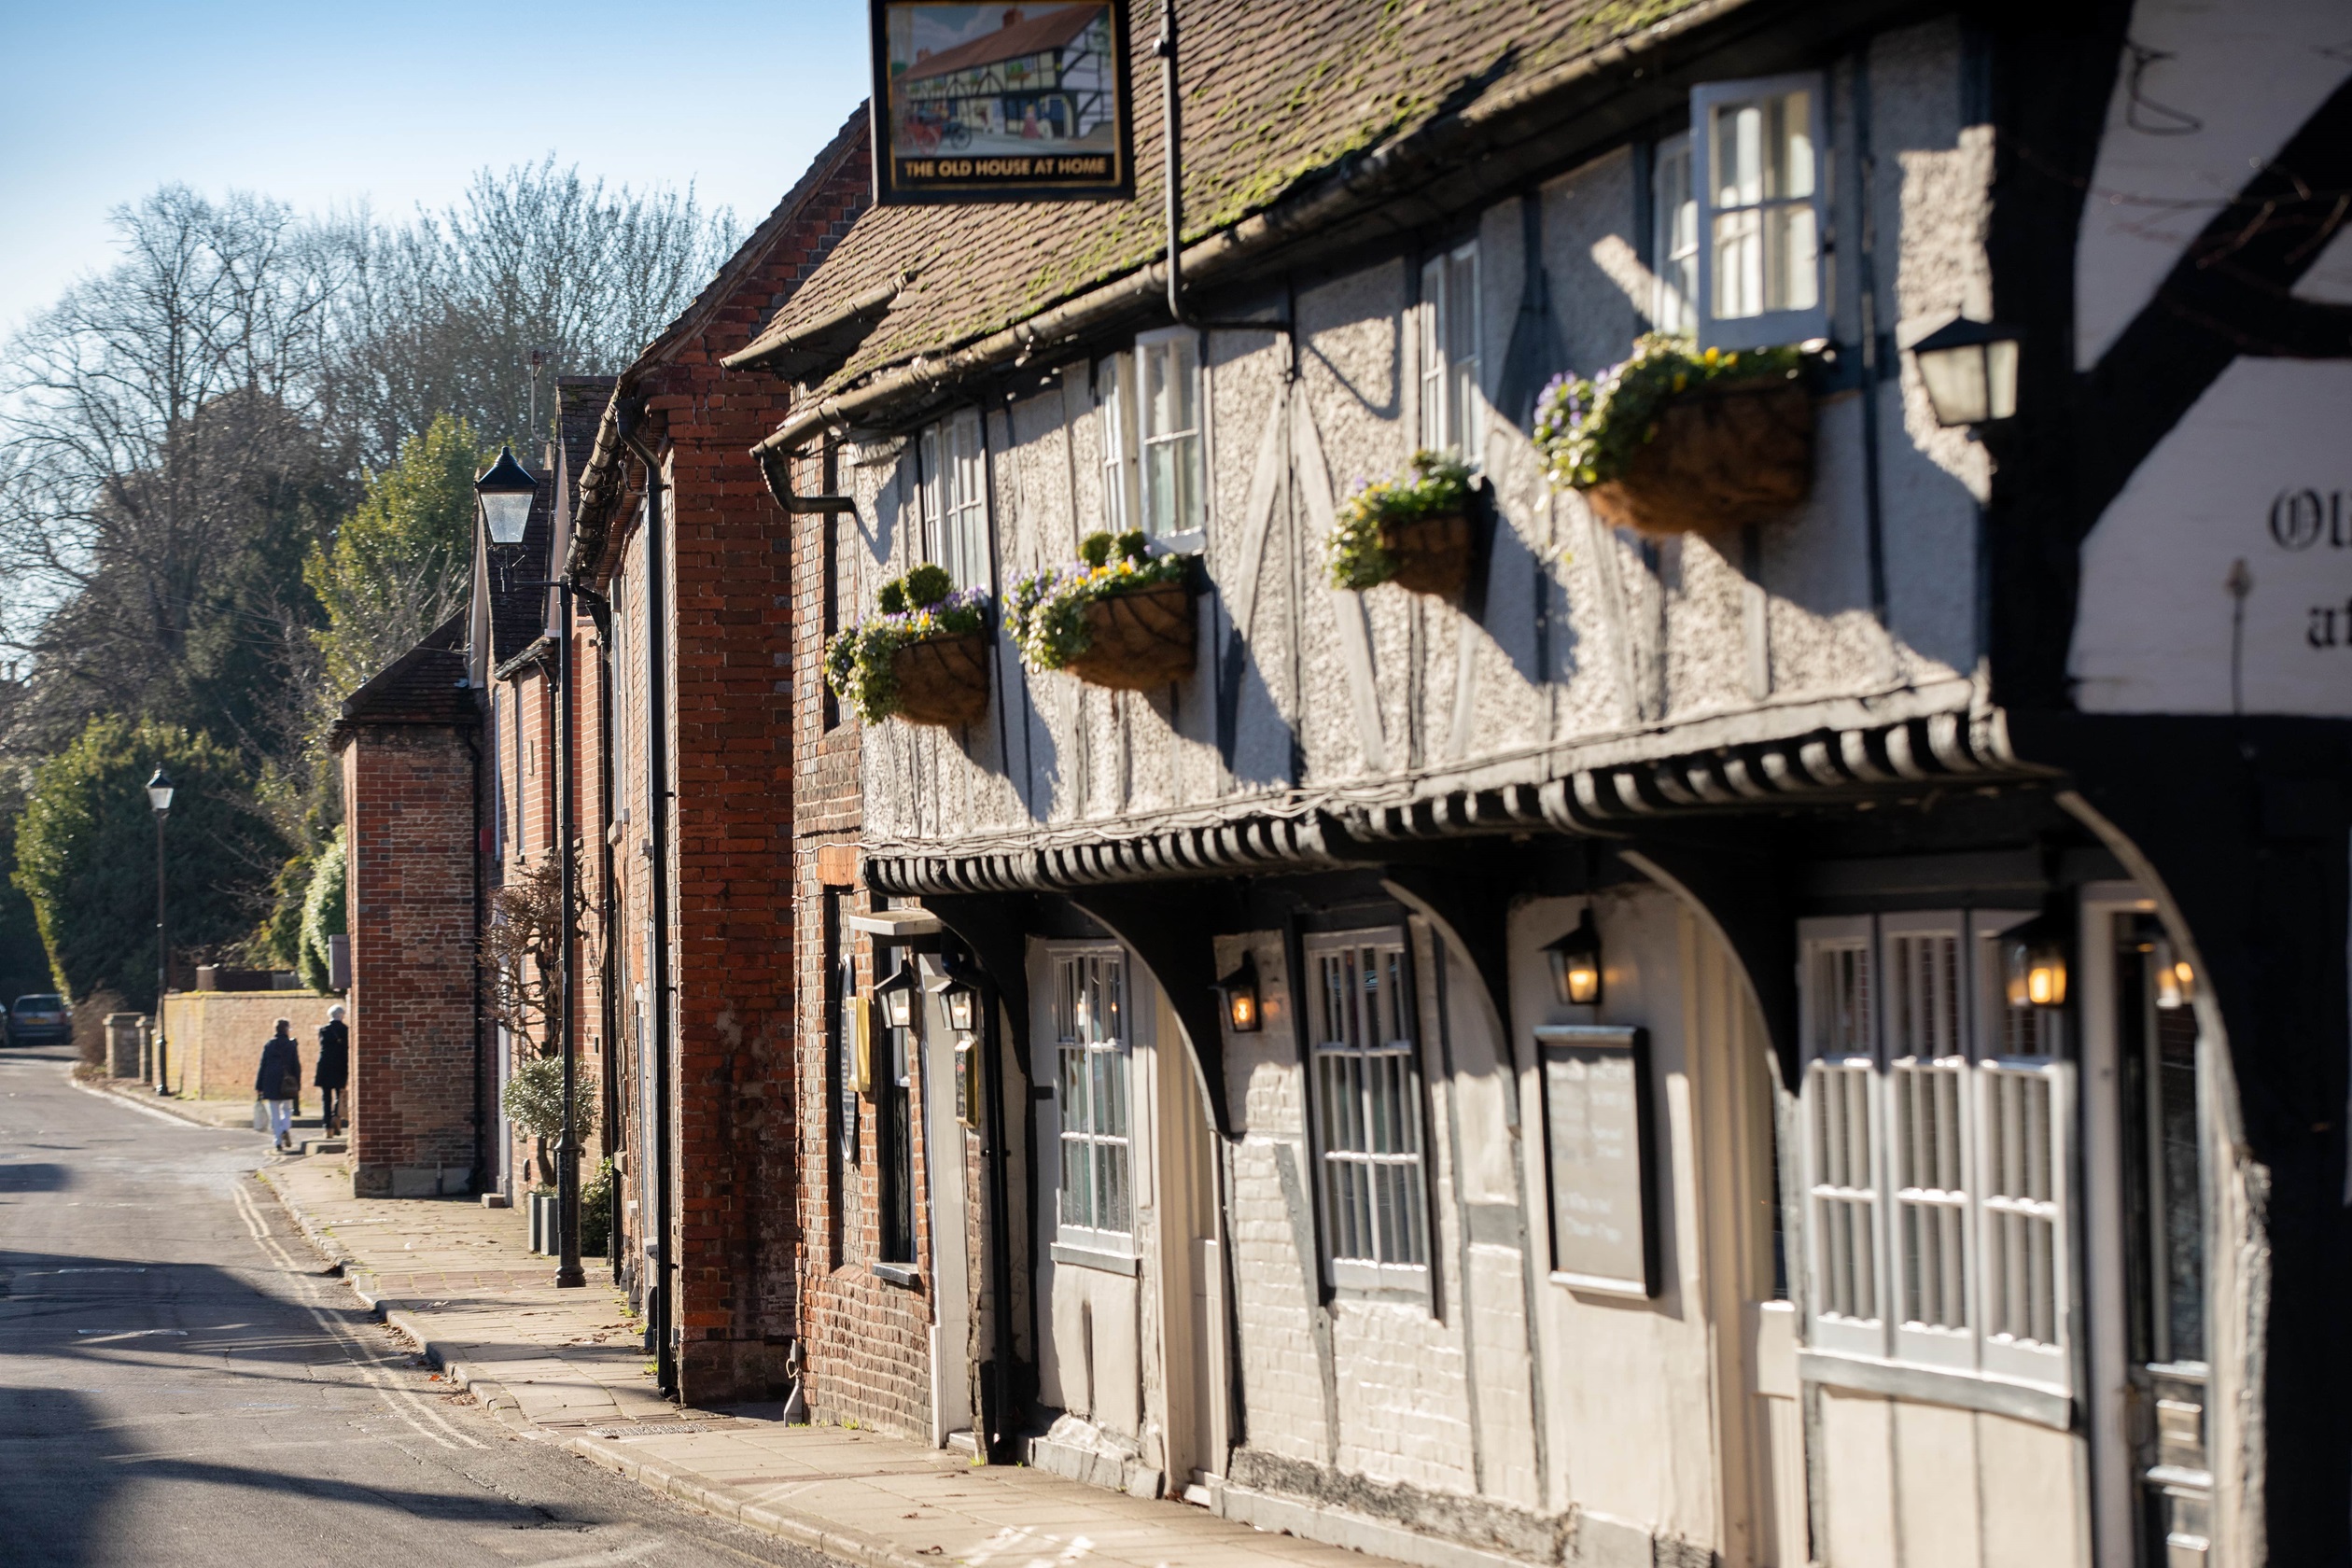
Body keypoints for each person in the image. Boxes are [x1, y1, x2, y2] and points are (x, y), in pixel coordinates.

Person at [255, 1019, 301, 1153]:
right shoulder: (291, 1045)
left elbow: (262, 1066)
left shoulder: (269, 1045)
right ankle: (285, 1128)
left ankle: (277, 1141)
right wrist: (298, 1083)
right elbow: (296, 1066)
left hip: (270, 1081)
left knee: (274, 1113)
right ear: (286, 1029)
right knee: (287, 1109)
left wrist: (259, 1085)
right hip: (287, 1081)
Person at [315, 1004, 349, 1137]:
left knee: (326, 1098)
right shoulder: (346, 1030)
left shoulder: (323, 1030)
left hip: (325, 1066)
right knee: (339, 1095)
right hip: (340, 1066)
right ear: (342, 1015)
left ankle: (327, 1127)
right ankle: (336, 1118)